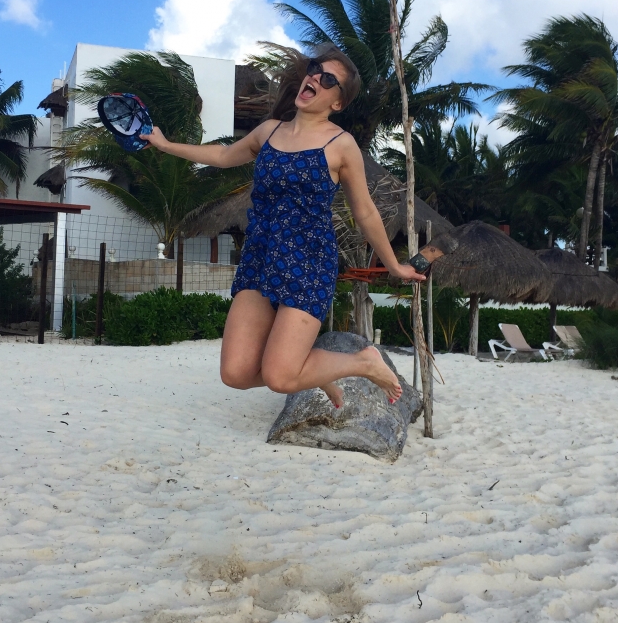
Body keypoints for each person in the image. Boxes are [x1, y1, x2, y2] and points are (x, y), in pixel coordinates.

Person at [141, 45, 426, 406]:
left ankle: (362, 363)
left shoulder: (341, 145)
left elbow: (366, 211)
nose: (314, 79)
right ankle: (312, 369)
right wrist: (165, 145)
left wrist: (393, 265)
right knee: (236, 373)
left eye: (328, 80)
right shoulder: (269, 132)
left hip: (307, 264)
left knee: (278, 376)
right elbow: (224, 155)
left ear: (337, 102)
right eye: (314, 69)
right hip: (259, 259)